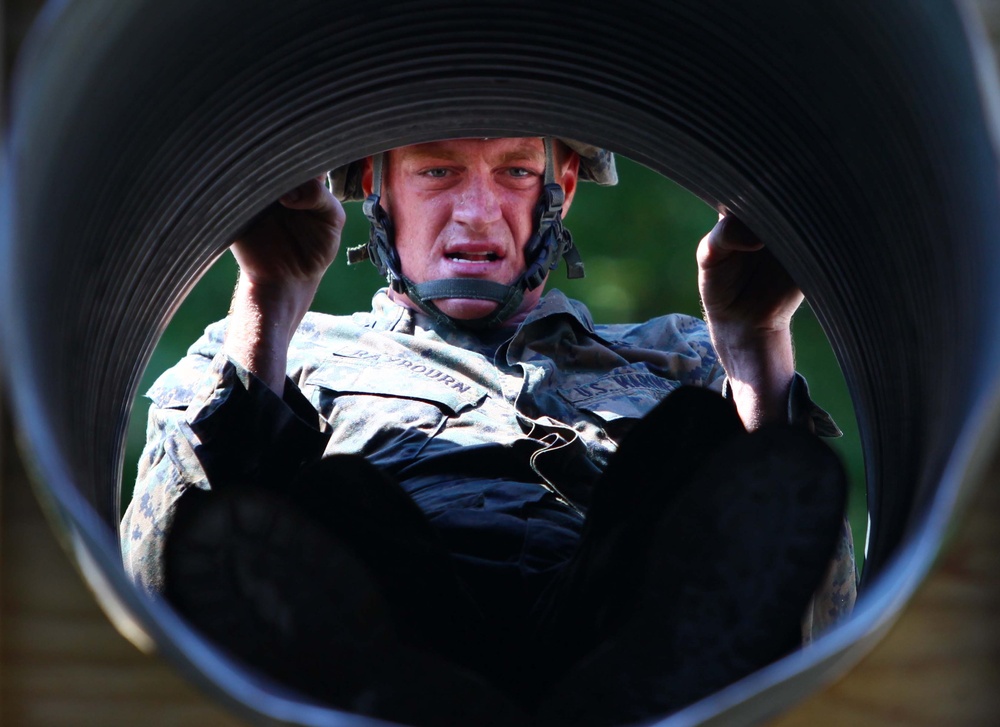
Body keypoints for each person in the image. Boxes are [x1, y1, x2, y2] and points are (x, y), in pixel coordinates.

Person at [121, 136, 857, 726]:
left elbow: (815, 627)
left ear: (560, 187)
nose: (476, 210)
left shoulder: (683, 359)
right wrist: (270, 301)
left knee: (695, 437)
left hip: (607, 634)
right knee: (339, 492)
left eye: (512, 171)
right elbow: (163, 584)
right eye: (437, 170)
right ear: (379, 187)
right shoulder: (285, 352)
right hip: (388, 639)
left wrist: (757, 344)